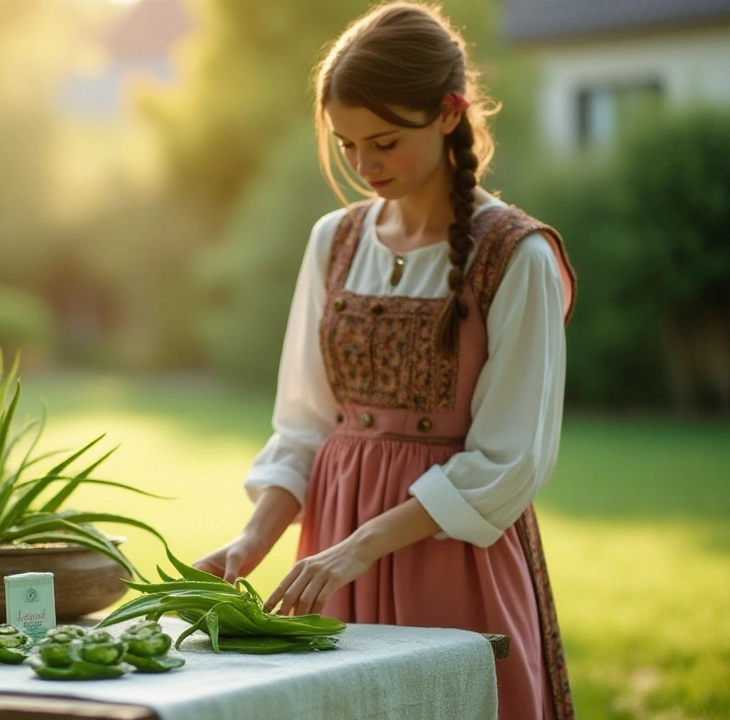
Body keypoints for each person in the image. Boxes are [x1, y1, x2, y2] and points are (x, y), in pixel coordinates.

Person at [192, 3, 577, 718]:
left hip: (451, 554)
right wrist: (252, 541)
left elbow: (509, 460)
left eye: (386, 142)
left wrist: (363, 546)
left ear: (449, 113)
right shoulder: (332, 241)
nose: (365, 166)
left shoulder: (515, 256)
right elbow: (305, 423)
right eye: (346, 145)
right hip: (333, 543)